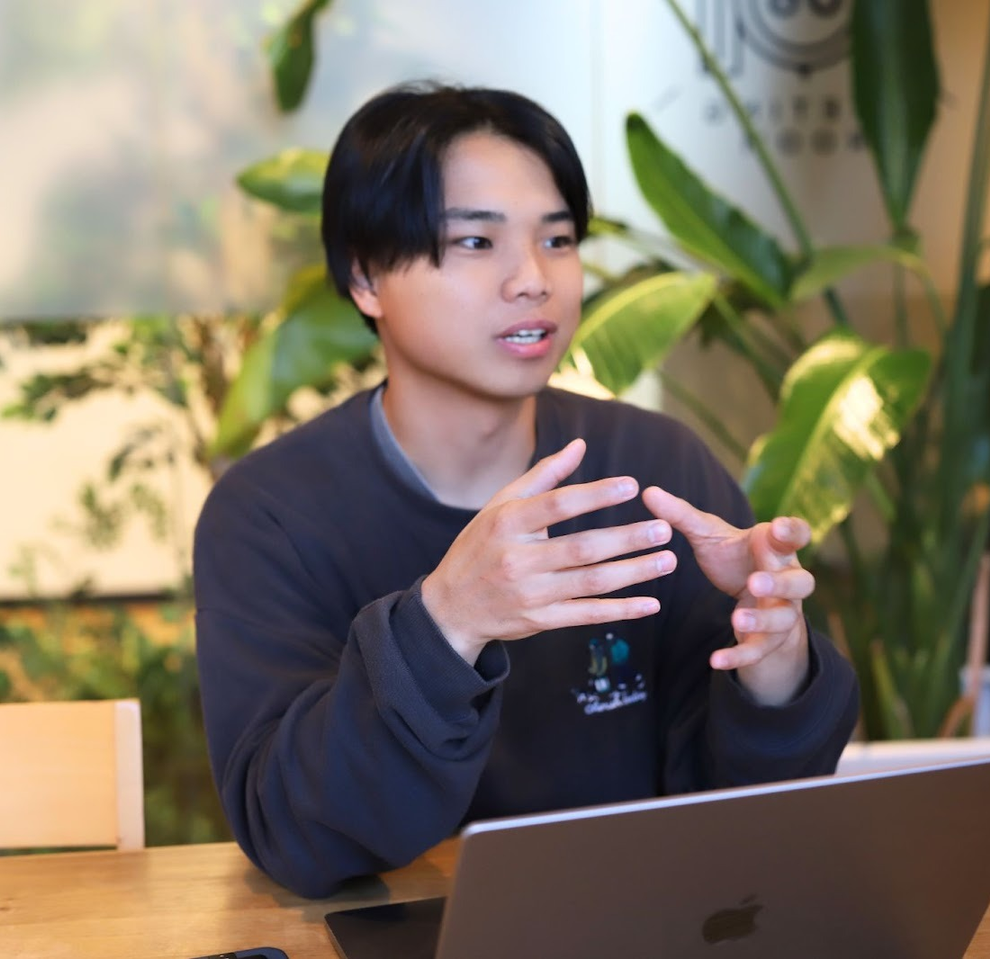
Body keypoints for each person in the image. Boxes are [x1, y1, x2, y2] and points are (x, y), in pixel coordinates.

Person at [193, 83, 860, 899]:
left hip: (642, 923)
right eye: (477, 241)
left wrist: (775, 663)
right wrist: (448, 619)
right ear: (366, 278)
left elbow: (746, 815)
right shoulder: (269, 512)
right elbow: (295, 834)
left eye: (558, 239)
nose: (533, 279)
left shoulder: (655, 467)